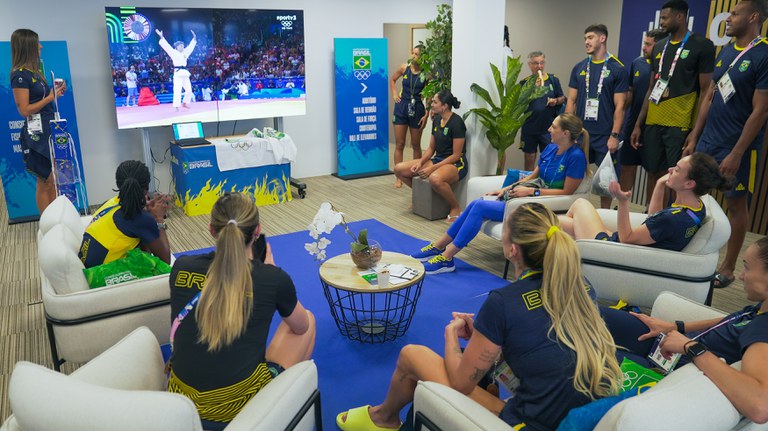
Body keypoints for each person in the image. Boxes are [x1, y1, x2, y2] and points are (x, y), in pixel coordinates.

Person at [337, 203, 622, 431]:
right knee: (481, 363)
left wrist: (451, 335)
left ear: (512, 250)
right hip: (581, 413)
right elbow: (544, 337)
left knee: (412, 356)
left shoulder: (504, 303)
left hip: (527, 423)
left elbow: (462, 383)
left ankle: (384, 418)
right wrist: (488, 336)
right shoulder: (581, 287)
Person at [168, 192, 316, 431]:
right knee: (307, 318)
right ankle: (285, 403)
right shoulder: (271, 278)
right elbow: (302, 327)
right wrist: (271, 272)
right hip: (234, 407)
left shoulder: (182, 267)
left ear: (211, 230)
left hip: (180, 399)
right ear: (257, 231)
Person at [601, 236, 768, 424]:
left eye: (747, 267)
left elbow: (760, 406)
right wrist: (676, 326)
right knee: (595, 315)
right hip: (671, 343)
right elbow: (731, 321)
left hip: (666, 367)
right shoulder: (762, 307)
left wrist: (691, 347)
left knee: (582, 352)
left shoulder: (762, 329)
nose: (741, 275)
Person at [412, 113, 588, 275]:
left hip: (543, 206)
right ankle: (438, 246)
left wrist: (532, 191)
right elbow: (533, 176)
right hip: (525, 199)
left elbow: (567, 192)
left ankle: (447, 258)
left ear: (565, 133)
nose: (549, 129)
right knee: (476, 204)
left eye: (554, 127)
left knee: (480, 207)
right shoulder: (550, 149)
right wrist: (506, 189)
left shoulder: (576, 157)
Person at [682, 0, 768, 289]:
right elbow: (709, 96)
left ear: (754, 16)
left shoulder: (764, 54)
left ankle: (729, 267)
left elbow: (761, 110)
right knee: (695, 198)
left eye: (734, 14)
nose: (728, 19)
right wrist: (695, 135)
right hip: (708, 141)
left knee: (735, 204)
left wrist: (737, 152)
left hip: (737, 147)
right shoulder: (726, 51)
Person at [631, 0, 715, 205]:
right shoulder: (659, 46)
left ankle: (672, 217)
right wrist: (638, 124)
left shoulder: (702, 45)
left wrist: (695, 133)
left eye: (665, 18)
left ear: (680, 17)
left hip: (680, 123)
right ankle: (652, 214)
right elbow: (652, 88)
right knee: (652, 171)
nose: (661, 22)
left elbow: (706, 91)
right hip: (654, 120)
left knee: (675, 176)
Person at [558, 153, 731, 252]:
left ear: (689, 184)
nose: (670, 170)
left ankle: (574, 256)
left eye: (677, 170)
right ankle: (570, 251)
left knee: (578, 205)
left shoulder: (673, 219)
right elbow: (654, 220)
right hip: (620, 243)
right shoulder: (696, 208)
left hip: (611, 249)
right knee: (560, 226)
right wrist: (659, 185)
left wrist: (623, 201)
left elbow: (627, 238)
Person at [566, 24, 628, 209]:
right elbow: (571, 100)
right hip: (581, 133)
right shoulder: (579, 68)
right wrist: (569, 131)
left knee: (605, 181)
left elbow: (621, 106)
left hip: (605, 135)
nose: (586, 41)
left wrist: (615, 135)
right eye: (585, 38)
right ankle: (574, 211)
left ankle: (604, 214)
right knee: (574, 174)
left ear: (602, 38)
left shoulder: (618, 69)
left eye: (590, 37)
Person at [10, 29, 67, 214]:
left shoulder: (35, 72)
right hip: (36, 137)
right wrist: (50, 97)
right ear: (28, 47)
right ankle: (47, 224)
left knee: (52, 180)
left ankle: (55, 218)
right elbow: (24, 110)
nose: (41, 47)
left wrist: (56, 93)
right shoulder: (19, 75)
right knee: (44, 181)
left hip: (48, 130)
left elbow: (42, 101)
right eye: (37, 44)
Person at [78, 160, 171, 268]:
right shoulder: (140, 218)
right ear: (147, 187)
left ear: (118, 184)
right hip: (102, 276)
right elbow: (165, 261)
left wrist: (146, 214)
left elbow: (145, 250)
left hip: (89, 268)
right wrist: (158, 218)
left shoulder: (111, 202)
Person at [394, 89, 467, 220]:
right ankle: (422, 196)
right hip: (438, 159)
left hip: (455, 163)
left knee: (435, 178)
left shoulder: (457, 123)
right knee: (399, 169)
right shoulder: (437, 119)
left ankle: (455, 207)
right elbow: (431, 148)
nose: (431, 104)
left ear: (444, 106)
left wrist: (432, 168)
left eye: (434, 102)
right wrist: (420, 162)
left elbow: (456, 155)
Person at [619, 29, 666, 193]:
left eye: (648, 44)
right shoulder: (637, 63)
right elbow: (631, 91)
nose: (643, 48)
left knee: (653, 171)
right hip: (633, 124)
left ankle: (649, 211)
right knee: (627, 164)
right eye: (643, 43)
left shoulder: (666, 67)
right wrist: (621, 111)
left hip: (653, 125)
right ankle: (622, 203)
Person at [520, 51, 566, 171]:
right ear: (530, 65)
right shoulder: (524, 82)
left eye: (541, 63)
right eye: (535, 63)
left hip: (548, 127)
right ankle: (528, 184)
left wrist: (555, 101)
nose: (539, 66)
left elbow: (563, 98)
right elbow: (519, 103)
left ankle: (546, 184)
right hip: (530, 126)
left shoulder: (553, 79)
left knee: (548, 158)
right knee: (529, 157)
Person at [390, 46, 429, 188]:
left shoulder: (426, 74)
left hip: (417, 108)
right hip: (402, 107)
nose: (413, 56)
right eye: (412, 53)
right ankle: (398, 176)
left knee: (415, 144)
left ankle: (415, 175)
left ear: (423, 57)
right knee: (399, 143)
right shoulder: (404, 67)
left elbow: (430, 95)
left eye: (417, 54)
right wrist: (394, 94)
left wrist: (427, 113)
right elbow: (392, 80)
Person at [155, 28, 196, 110]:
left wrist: (194, 38)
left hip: (185, 73)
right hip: (177, 74)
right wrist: (161, 37)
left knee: (189, 90)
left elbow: (191, 47)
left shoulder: (185, 53)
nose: (183, 47)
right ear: (177, 47)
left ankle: (185, 102)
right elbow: (167, 47)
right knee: (177, 90)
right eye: (181, 46)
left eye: (183, 46)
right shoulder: (173, 52)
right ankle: (177, 106)